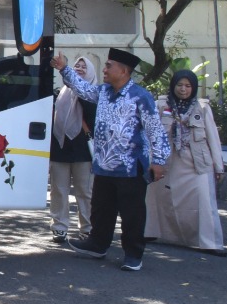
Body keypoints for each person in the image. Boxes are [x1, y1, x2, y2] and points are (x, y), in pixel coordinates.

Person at [52, 46, 171, 271]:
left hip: (130, 167)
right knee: (101, 209)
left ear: (123, 71)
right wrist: (64, 69)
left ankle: (133, 254)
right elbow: (82, 89)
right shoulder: (104, 92)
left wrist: (159, 160)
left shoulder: (140, 96)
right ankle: (97, 245)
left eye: (109, 66)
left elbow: (155, 130)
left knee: (132, 214)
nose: (104, 70)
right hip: (104, 165)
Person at [146, 69, 227, 255]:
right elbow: (151, 134)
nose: (183, 89)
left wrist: (218, 166)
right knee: (155, 195)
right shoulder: (161, 105)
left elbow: (213, 139)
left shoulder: (202, 108)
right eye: (180, 85)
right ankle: (150, 231)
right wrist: (149, 160)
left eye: (188, 86)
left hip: (197, 163)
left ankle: (210, 243)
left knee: (204, 201)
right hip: (167, 161)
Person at [48, 53, 100, 244]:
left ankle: (87, 228)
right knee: (58, 191)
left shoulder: (94, 94)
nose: (80, 69)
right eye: (77, 66)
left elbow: (92, 116)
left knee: (85, 192)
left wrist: (77, 89)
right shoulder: (60, 94)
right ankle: (59, 227)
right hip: (60, 147)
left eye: (84, 67)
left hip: (83, 151)